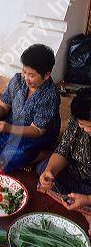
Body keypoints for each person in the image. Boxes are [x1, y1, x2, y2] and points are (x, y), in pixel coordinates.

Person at [0, 44, 61, 172]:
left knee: (15, 155)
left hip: (34, 137)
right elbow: (3, 106)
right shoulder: (18, 80)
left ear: (46, 75)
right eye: (24, 71)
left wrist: (8, 129)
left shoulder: (50, 95)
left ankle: (45, 154)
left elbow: (37, 130)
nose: (26, 78)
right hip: (10, 129)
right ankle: (16, 157)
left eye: (31, 75)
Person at [39, 87, 91, 235]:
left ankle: (86, 208)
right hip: (76, 175)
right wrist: (50, 170)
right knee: (46, 169)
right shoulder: (77, 121)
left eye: (89, 126)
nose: (86, 129)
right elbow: (63, 151)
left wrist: (87, 199)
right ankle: (85, 208)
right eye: (82, 125)